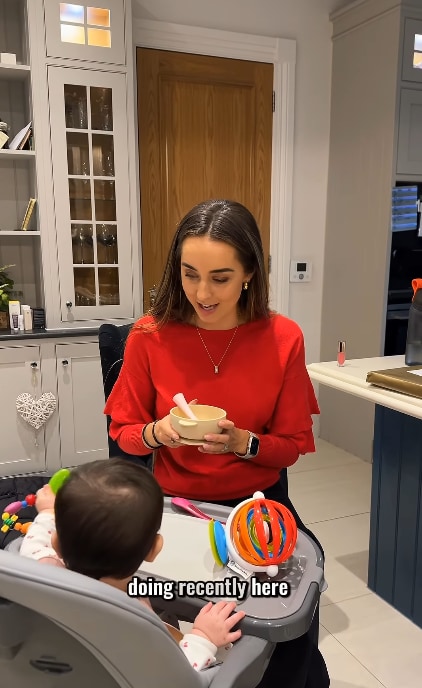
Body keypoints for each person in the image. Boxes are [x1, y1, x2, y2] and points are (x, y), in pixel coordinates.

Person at [105, 198, 329, 687]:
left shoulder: (282, 338)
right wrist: (158, 433)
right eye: (189, 275)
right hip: (176, 507)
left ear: (250, 271)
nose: (201, 293)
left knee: (288, 625)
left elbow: (292, 443)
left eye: (220, 278)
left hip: (258, 508)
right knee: (152, 623)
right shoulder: (149, 336)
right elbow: (122, 432)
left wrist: (244, 444)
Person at [19, 459, 245, 672]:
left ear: (56, 542)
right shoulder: (136, 624)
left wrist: (48, 513)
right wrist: (203, 636)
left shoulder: (42, 573)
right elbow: (174, 675)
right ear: (154, 550)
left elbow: (37, 541)